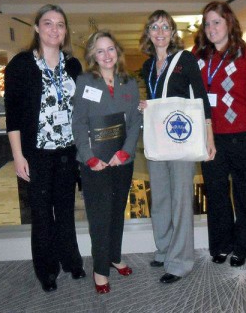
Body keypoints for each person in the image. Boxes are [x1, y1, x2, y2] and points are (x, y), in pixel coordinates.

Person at [4, 4, 85, 293]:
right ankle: (46, 270)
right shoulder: (22, 65)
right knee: (41, 214)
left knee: (65, 210)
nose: (54, 29)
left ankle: (71, 260)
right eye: (48, 23)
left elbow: (86, 106)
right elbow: (12, 115)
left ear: (65, 31)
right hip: (36, 153)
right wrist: (17, 156)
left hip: (66, 153)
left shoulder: (73, 65)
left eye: (60, 24)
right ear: (37, 28)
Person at [138, 10, 216, 284]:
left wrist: (209, 136)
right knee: (159, 197)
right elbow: (154, 98)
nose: (160, 32)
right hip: (158, 140)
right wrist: (145, 106)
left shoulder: (185, 60)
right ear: (148, 33)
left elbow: (200, 99)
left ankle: (180, 261)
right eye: (154, 27)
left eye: (165, 27)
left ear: (173, 33)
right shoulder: (148, 66)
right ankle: (164, 248)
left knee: (181, 200)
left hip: (181, 139)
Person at [193, 1, 246, 267]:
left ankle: (242, 247)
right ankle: (221, 245)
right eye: (207, 23)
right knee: (216, 194)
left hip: (245, 138)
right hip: (211, 137)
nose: (211, 28)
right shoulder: (199, 56)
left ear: (229, 23)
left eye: (217, 22)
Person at [72, 30, 142, 294]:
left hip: (122, 160)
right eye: (100, 51)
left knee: (117, 212)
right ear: (92, 55)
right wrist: (89, 157)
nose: (106, 55)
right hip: (95, 163)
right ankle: (100, 268)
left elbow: (135, 121)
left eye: (110, 49)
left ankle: (114, 255)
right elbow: (78, 123)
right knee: (99, 217)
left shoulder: (129, 82)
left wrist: (125, 152)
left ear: (117, 51)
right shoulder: (84, 81)